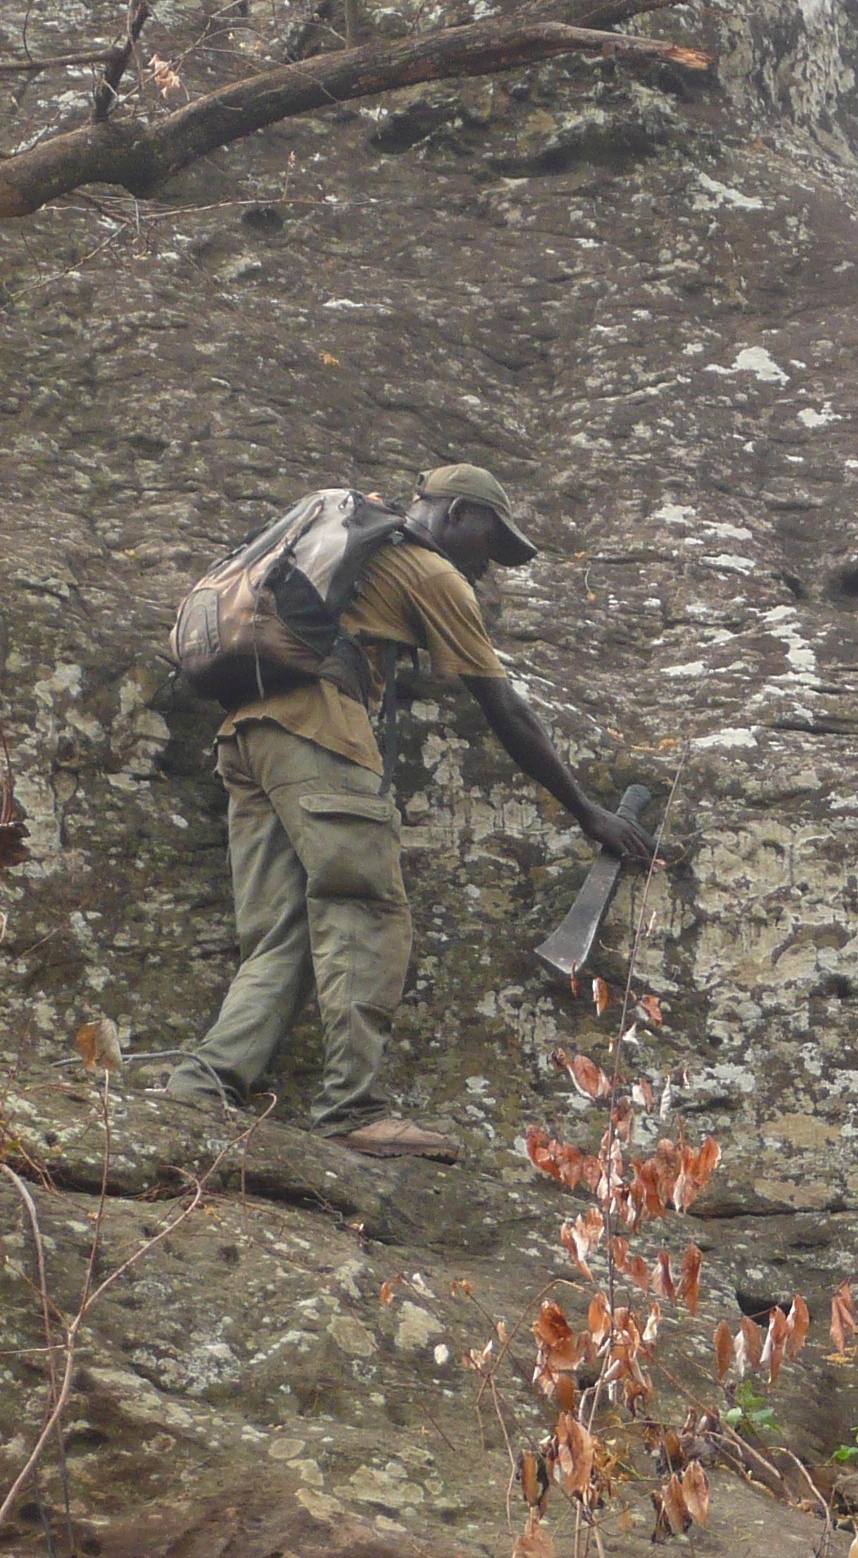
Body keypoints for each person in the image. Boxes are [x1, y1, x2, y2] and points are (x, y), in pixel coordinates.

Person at [164, 465, 653, 1160]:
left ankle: (203, 1085)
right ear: (454, 514)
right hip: (321, 737)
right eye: (490, 542)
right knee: (364, 912)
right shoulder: (428, 570)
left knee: (283, 935)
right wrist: (586, 811)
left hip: (247, 740)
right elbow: (504, 708)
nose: (489, 563)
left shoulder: (348, 557)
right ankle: (350, 1110)